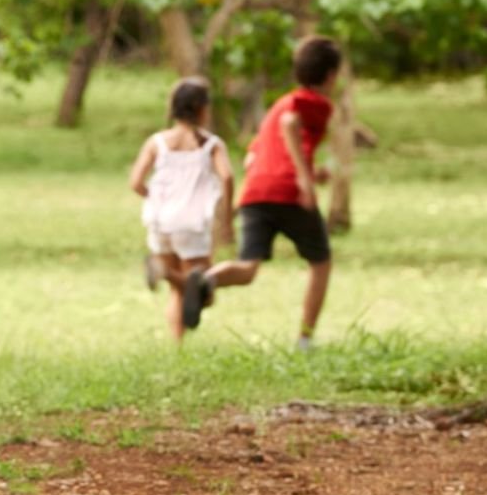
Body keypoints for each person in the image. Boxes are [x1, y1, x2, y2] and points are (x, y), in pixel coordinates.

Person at [182, 36, 343, 352]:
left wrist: (310, 171)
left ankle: (206, 280)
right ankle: (305, 339)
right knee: (321, 262)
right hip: (289, 193)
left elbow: (252, 157)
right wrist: (305, 181)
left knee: (248, 269)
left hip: (256, 192)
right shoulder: (313, 103)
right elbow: (290, 124)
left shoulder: (278, 104)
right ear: (330, 75)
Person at [129, 76, 233, 342]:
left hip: (159, 221)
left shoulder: (157, 142)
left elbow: (135, 182)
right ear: (202, 109)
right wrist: (227, 217)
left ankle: (178, 345)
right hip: (192, 223)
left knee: (180, 290)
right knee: (204, 292)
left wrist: (154, 198)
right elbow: (228, 177)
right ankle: (165, 274)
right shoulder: (211, 145)